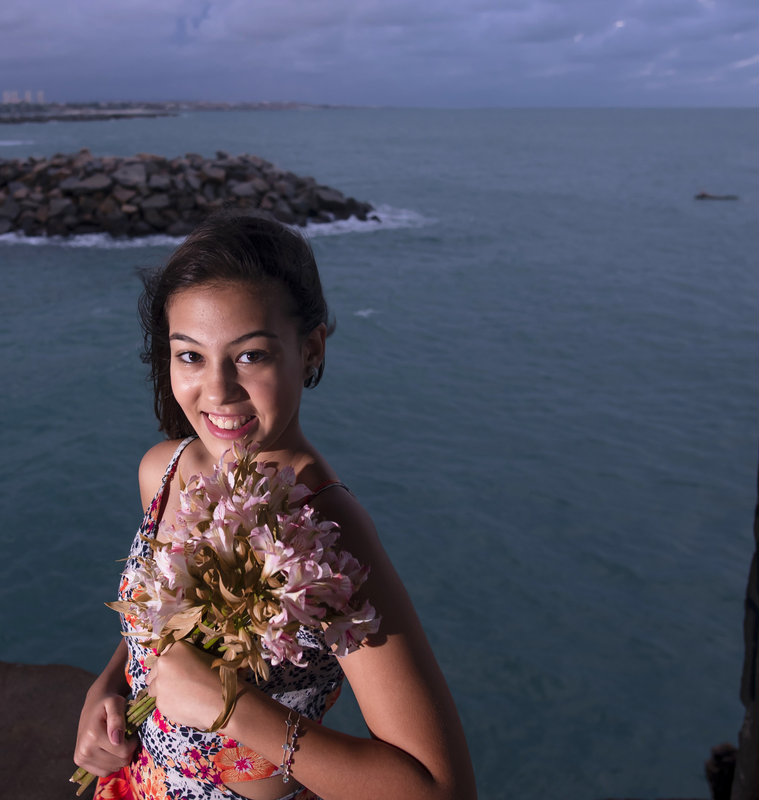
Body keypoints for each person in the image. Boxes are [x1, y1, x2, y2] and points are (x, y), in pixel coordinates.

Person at [74, 210, 477, 800]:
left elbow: (441, 790)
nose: (217, 390)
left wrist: (232, 709)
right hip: (135, 785)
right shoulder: (164, 470)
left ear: (310, 349)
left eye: (251, 356)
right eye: (190, 356)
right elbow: (171, 620)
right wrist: (109, 686)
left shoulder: (324, 535)